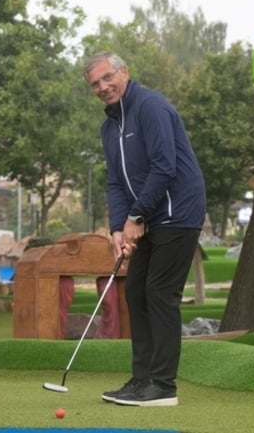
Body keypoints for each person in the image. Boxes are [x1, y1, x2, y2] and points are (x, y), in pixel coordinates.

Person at [84, 52, 206, 407]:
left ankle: (163, 387)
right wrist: (118, 228)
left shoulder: (151, 107)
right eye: (95, 83)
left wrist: (136, 218)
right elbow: (115, 183)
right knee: (135, 291)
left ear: (125, 73)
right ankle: (141, 381)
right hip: (147, 217)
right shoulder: (109, 128)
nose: (103, 87)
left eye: (108, 77)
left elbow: (164, 167)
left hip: (177, 213)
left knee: (159, 294)